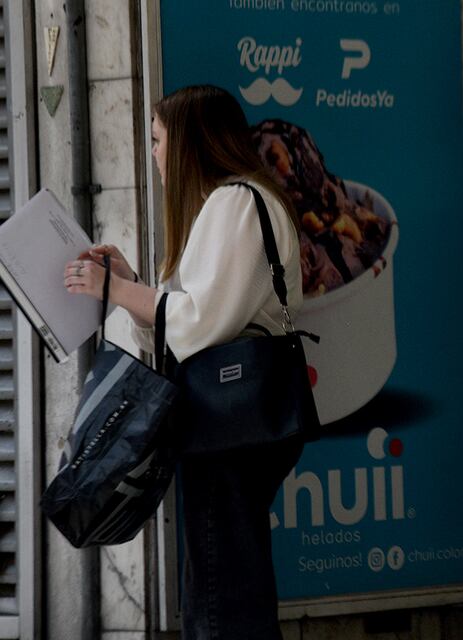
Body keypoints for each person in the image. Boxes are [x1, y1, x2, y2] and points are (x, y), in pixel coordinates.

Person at [64, 85, 303, 639]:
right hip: (237, 416)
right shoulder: (235, 200)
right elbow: (188, 318)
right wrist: (129, 285)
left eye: (157, 139)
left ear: (188, 142)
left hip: (229, 422)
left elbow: (199, 322)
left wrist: (115, 290)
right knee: (225, 577)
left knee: (220, 589)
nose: (152, 153)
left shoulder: (234, 202)